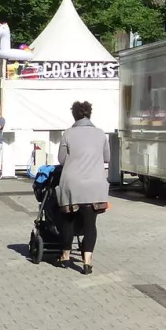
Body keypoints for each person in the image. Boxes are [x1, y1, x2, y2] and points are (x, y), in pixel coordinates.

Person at [55, 101, 109, 275]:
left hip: (72, 183)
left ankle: (65, 255)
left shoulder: (68, 134)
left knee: (68, 220)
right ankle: (87, 261)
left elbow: (62, 160)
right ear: (89, 114)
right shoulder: (101, 134)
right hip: (95, 184)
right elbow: (106, 157)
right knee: (90, 224)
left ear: (74, 115)